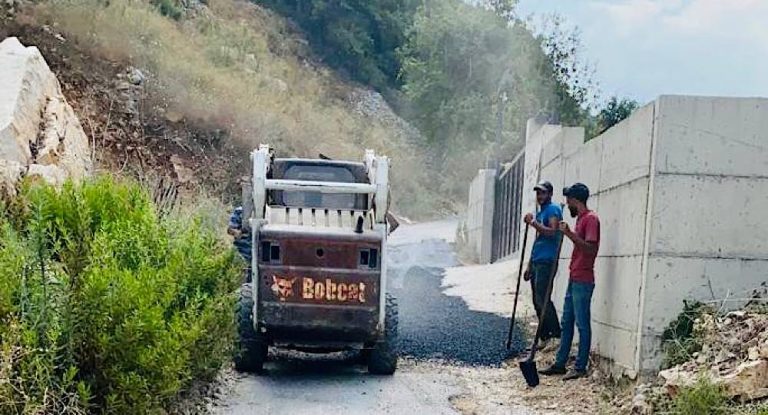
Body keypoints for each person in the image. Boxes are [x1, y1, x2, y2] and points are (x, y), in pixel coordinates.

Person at [540, 182, 600, 381]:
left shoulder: (591, 219)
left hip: (583, 279)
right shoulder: (581, 219)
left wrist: (570, 235)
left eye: (569, 200)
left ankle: (580, 366)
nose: (567, 204)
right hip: (574, 277)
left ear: (575, 200)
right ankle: (560, 363)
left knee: (582, 324)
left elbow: (591, 249)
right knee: (567, 322)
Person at [523, 181, 562, 343]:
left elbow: (552, 232)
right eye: (538, 193)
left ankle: (554, 335)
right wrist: (529, 265)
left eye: (543, 193)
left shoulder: (553, 209)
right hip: (538, 261)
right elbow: (538, 240)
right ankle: (545, 337)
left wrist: (533, 223)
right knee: (536, 300)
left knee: (543, 298)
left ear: (550, 194)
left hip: (547, 261)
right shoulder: (541, 212)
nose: (540, 196)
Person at [228, 206, 252, 282]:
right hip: (243, 253)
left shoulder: (269, 212)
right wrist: (237, 232)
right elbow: (230, 230)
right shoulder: (240, 211)